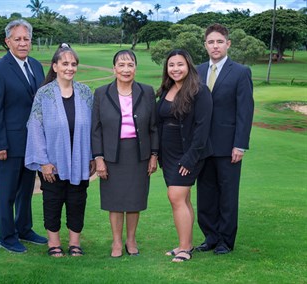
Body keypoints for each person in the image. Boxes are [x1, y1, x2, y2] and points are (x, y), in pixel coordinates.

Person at [25, 43, 95, 257]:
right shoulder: (44, 94)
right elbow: (35, 127)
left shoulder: (85, 92)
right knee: (53, 202)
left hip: (80, 159)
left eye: (73, 64)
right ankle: (53, 243)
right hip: (51, 163)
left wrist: (92, 156)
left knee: (77, 201)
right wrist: (43, 161)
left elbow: (94, 126)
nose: (69, 68)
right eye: (65, 63)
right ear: (55, 66)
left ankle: (75, 243)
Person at [0, 19, 47, 253]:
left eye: (26, 38)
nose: (22, 43)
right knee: (7, 192)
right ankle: (7, 236)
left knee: (26, 190)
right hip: (8, 145)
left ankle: (24, 229)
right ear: (7, 41)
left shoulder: (35, 65)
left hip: (32, 142)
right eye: (17, 39)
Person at [91, 50, 158, 258]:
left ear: (135, 68)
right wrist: (99, 158)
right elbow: (96, 129)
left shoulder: (147, 91)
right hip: (112, 155)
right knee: (115, 201)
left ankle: (131, 240)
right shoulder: (101, 93)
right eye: (121, 65)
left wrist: (154, 155)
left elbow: (154, 127)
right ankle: (117, 242)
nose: (126, 69)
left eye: (130, 65)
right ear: (114, 69)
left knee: (135, 200)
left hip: (139, 154)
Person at [196, 23, 254, 254]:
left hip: (229, 146)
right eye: (211, 42)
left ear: (228, 44)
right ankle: (210, 237)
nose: (215, 45)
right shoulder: (198, 71)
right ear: (205, 45)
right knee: (206, 195)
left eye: (219, 41)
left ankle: (225, 241)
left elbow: (245, 111)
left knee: (227, 196)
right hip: (203, 146)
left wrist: (240, 144)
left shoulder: (241, 72)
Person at [156, 49, 213, 262]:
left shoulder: (200, 91)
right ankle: (185, 244)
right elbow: (160, 122)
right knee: (184, 199)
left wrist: (190, 158)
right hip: (168, 154)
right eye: (171, 65)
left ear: (188, 66)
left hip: (189, 154)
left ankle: (184, 249)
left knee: (176, 196)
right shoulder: (166, 89)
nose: (175, 69)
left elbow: (202, 129)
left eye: (180, 64)